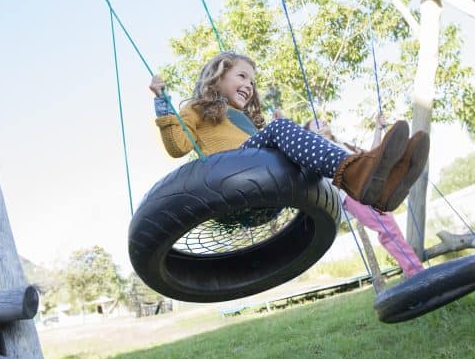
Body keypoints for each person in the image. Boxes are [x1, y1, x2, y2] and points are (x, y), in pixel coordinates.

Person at [148, 51, 429, 211]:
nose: (249, 85)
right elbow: (177, 147)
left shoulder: (244, 120)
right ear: (217, 77)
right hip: (228, 180)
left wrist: (278, 135)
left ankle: (382, 185)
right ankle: (357, 173)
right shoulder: (196, 110)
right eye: (242, 76)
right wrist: (162, 103)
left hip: (262, 184)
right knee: (281, 129)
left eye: (253, 82)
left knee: (296, 145)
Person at [304, 115, 425, 277]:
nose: (323, 120)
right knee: (387, 228)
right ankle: (416, 272)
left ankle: (402, 167)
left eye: (323, 120)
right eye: (317, 123)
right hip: (353, 192)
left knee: (390, 228)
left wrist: (377, 129)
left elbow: (372, 157)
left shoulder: (343, 142)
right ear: (311, 133)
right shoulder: (317, 149)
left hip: (367, 181)